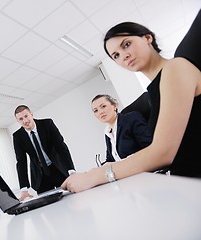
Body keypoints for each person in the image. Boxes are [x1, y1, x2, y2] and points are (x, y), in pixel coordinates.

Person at [61, 12, 201, 193]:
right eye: (116, 55)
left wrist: (96, 175)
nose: (123, 56)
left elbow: (163, 152)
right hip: (184, 185)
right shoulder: (154, 91)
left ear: (147, 38)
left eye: (127, 45)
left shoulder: (175, 67)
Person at [13, 105, 76, 201]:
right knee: (48, 206)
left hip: (58, 168)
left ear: (31, 114)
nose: (25, 121)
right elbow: (21, 161)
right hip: (40, 175)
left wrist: (71, 171)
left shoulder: (47, 124)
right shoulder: (18, 136)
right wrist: (24, 189)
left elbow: (61, 147)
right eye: (21, 119)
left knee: (71, 198)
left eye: (26, 116)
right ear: (18, 121)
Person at [91, 94, 152, 164]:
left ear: (115, 105)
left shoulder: (131, 118)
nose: (100, 112)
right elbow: (110, 159)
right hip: (127, 173)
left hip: (145, 169)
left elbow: (149, 147)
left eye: (103, 106)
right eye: (96, 110)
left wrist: (120, 165)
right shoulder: (108, 133)